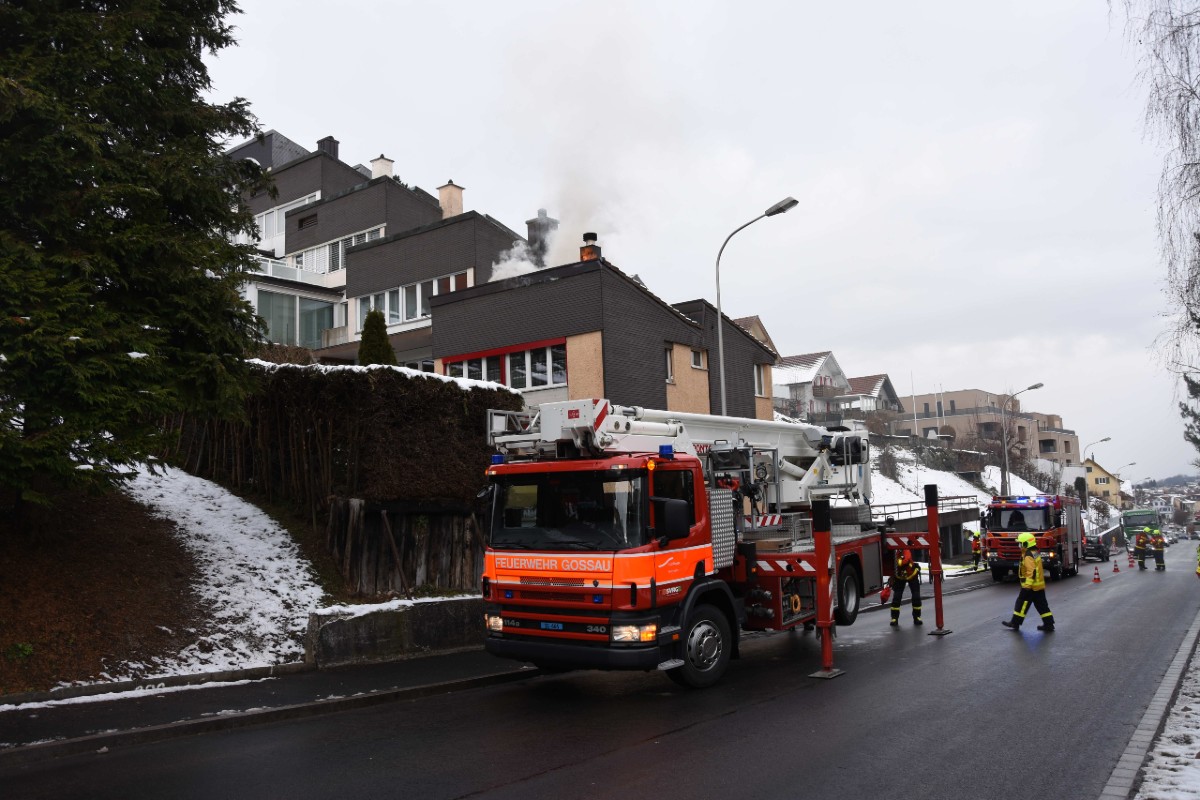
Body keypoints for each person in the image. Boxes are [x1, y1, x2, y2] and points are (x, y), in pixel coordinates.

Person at [1002, 532, 1055, 633]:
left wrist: (1027, 586)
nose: (1019, 546)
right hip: (1038, 586)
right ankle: (1049, 624)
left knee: (1021, 603)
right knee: (1042, 606)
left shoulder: (1028, 555)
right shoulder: (1034, 552)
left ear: (1026, 544)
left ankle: (1015, 623)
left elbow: (1031, 571)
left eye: (1020, 543)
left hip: (1030, 587)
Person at [889, 549, 923, 627]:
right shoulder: (895, 552)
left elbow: (904, 561)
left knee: (916, 597)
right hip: (900, 577)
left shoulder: (906, 550)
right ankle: (894, 618)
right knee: (897, 597)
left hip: (912, 574)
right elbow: (896, 563)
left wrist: (900, 560)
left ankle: (917, 617)